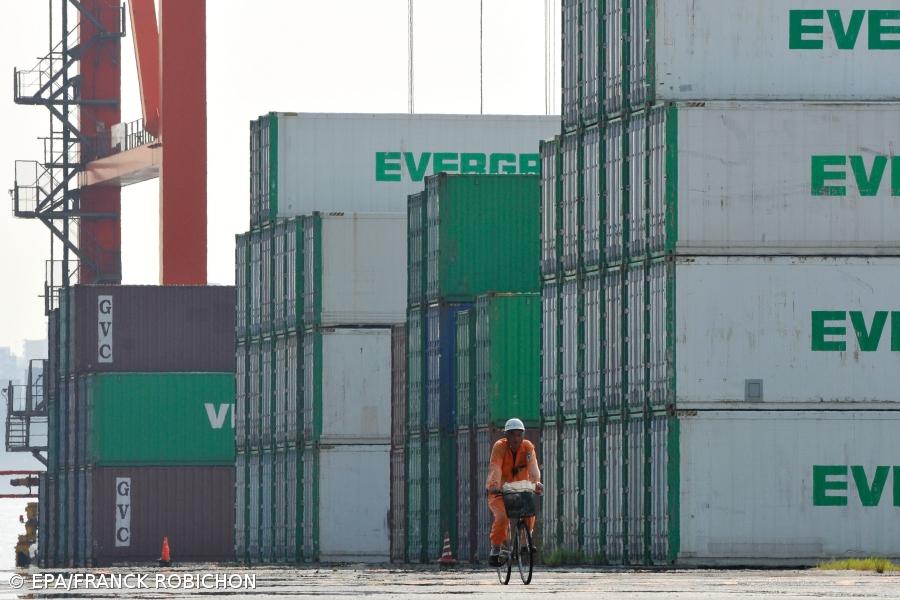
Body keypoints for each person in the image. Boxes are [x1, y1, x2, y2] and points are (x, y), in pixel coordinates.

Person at [485, 417, 543, 566]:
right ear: (506, 436)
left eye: (519, 435)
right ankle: (496, 547)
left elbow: (533, 467)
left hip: (520, 489)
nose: (516, 438)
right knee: (502, 517)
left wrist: (536, 483)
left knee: (529, 511)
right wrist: (493, 485)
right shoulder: (499, 447)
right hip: (499, 491)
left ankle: (525, 542)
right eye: (512, 434)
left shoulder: (528, 447)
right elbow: (495, 467)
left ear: (522, 435)